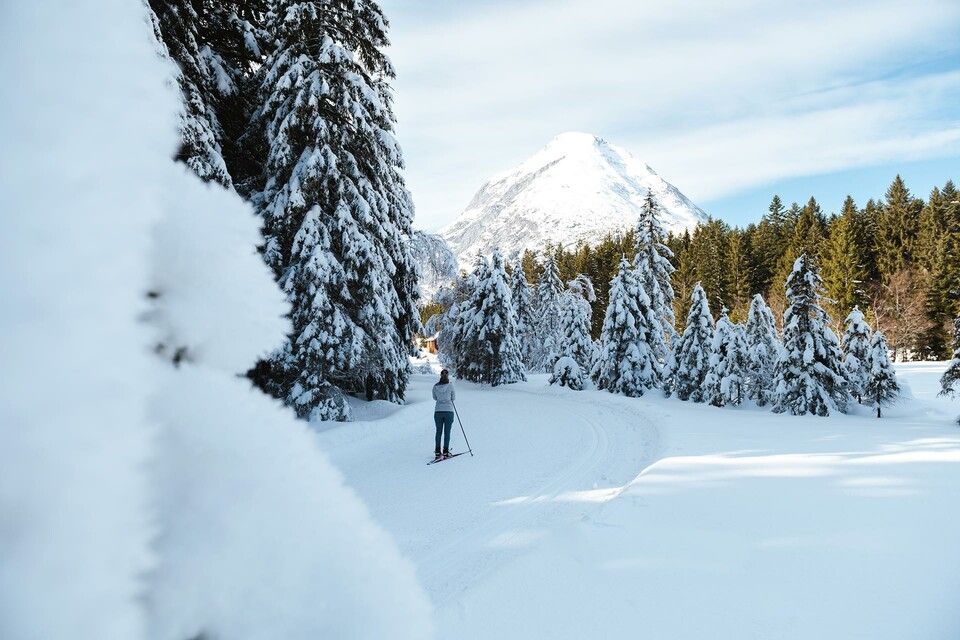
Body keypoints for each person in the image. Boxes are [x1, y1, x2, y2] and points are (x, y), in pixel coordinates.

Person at [432, 369, 456, 458]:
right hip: (448, 411)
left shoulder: (435, 386)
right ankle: (445, 451)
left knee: (438, 431)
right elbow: (453, 398)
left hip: (438, 411)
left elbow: (434, 397)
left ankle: (437, 451)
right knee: (447, 432)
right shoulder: (450, 386)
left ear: (440, 375)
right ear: (448, 375)